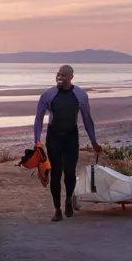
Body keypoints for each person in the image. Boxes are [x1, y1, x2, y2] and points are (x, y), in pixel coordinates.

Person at [32, 64, 98, 222]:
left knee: (69, 171)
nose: (60, 78)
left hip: (71, 136)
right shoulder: (48, 95)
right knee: (55, 173)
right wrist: (37, 141)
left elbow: (87, 119)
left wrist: (94, 141)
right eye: (58, 74)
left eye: (64, 75)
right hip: (54, 136)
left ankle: (68, 200)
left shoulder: (80, 95)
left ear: (71, 77)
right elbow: (39, 119)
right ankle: (57, 209)